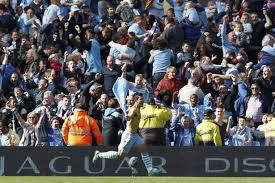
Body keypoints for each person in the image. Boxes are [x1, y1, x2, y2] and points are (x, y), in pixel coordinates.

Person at [92, 93, 161, 176]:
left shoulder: (140, 106)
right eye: (141, 99)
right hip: (129, 136)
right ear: (136, 100)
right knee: (119, 155)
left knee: (144, 150)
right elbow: (129, 116)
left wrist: (157, 105)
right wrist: (127, 117)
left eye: (143, 99)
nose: (143, 101)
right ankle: (99, 154)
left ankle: (150, 171)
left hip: (135, 135)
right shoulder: (133, 109)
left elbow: (147, 105)